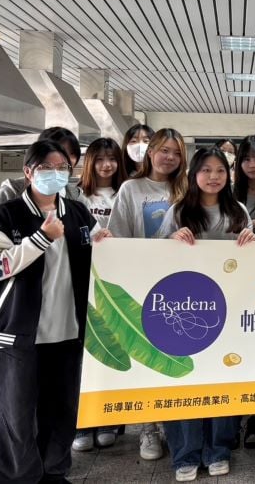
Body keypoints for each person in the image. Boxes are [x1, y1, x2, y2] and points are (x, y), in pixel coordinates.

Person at [0, 139, 111, 484]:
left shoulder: (77, 213)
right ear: (28, 171)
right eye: (46, 167)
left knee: (62, 411)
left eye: (62, 168)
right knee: (17, 418)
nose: (55, 173)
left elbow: (104, 252)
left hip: (68, 332)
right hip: (16, 334)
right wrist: (40, 238)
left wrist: (110, 244)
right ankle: (17, 478)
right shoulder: (7, 214)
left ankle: (54, 473)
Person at [157, 147, 255, 482]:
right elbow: (153, 255)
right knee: (185, 380)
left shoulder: (238, 211)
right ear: (193, 174)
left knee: (223, 377)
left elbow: (252, 262)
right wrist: (171, 239)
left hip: (229, 309)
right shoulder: (178, 211)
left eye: (220, 170)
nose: (213, 177)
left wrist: (252, 241)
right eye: (206, 170)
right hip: (184, 311)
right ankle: (185, 453)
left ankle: (218, 450)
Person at [108, 127, 188, 460]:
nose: (170, 157)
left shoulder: (186, 188)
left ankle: (174, 425)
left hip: (180, 286)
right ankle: (148, 428)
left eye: (177, 152)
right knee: (146, 356)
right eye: (164, 150)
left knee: (175, 356)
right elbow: (117, 237)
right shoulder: (131, 188)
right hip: (141, 282)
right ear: (150, 152)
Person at [72, 137, 127, 453]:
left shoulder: (125, 193)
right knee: (81, 355)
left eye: (112, 159)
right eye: (101, 159)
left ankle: (108, 420)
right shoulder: (75, 194)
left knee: (110, 348)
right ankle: (82, 422)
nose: (107, 165)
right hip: (79, 282)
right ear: (89, 161)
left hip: (114, 282)